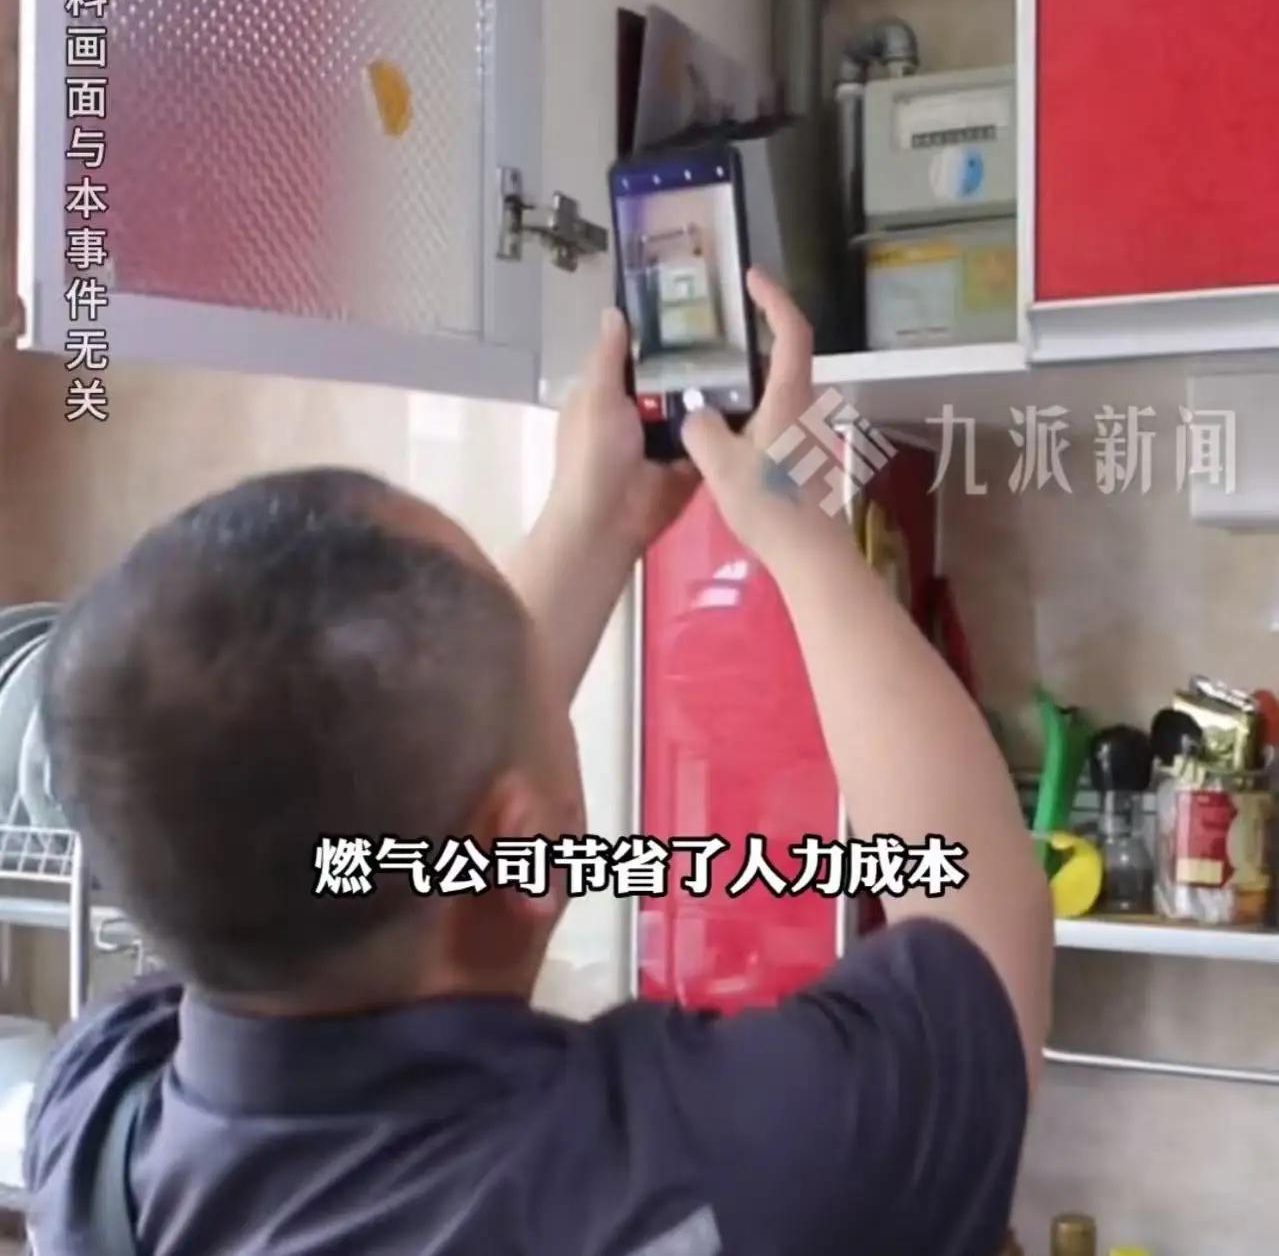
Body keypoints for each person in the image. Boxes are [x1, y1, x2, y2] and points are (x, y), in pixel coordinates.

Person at [27, 271, 1052, 1256]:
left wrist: (594, 519)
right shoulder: (721, 1159)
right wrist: (801, 533)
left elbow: (293, 818)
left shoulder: (89, 1124)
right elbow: (975, 935)